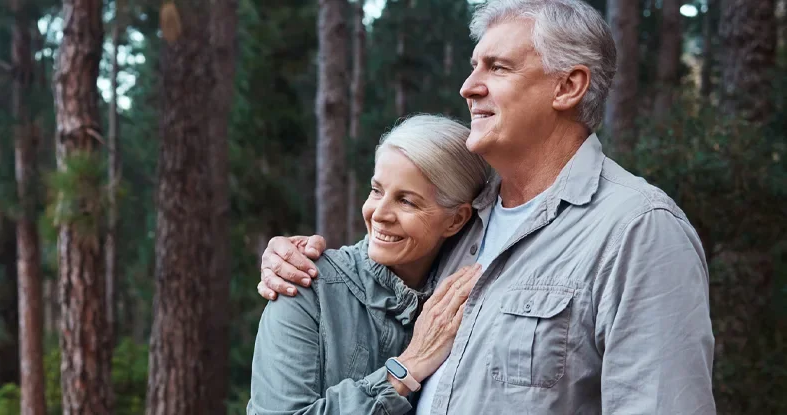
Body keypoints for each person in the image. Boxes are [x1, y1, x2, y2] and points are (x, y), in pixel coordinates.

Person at [255, 0, 716, 414]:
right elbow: (366, 278)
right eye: (475, 66)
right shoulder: (464, 220)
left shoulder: (638, 231)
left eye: (497, 68)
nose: (467, 87)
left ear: (568, 86)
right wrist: (291, 260)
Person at [247, 115, 489, 414]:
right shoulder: (307, 286)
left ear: (456, 219)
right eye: (377, 190)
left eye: (406, 201)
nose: (379, 213)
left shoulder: (464, 299)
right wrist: (408, 367)